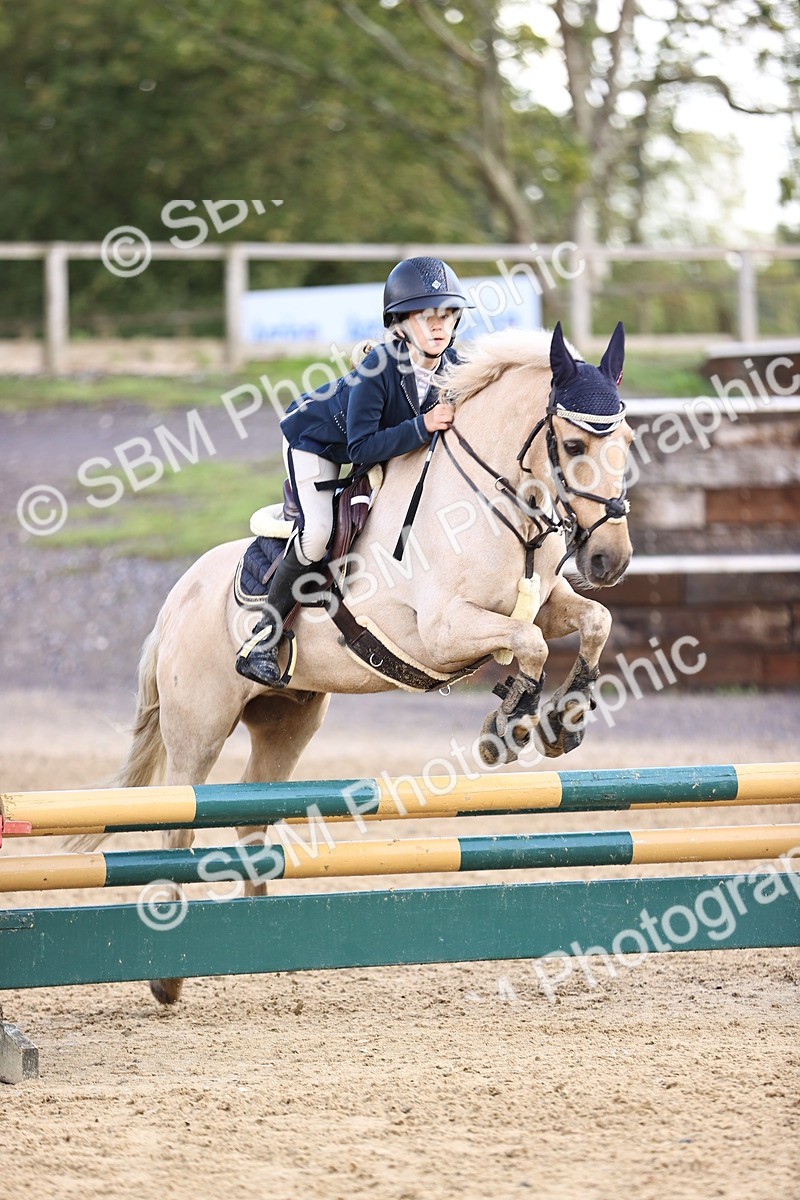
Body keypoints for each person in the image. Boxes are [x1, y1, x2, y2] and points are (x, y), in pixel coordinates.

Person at [235, 256, 473, 688]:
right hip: (316, 441)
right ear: (400, 322)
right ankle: (262, 641)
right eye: (427, 316)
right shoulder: (376, 370)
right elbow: (361, 447)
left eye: (448, 314)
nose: (440, 326)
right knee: (316, 535)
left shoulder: (454, 364)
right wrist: (424, 425)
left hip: (373, 447)